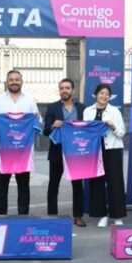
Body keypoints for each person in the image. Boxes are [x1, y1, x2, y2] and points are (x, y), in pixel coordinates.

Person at [0, 69, 40, 215]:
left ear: (21, 81)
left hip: (24, 150)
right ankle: (1, 216)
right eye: (11, 79)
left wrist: (37, 117)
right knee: (2, 185)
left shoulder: (30, 100)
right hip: (4, 150)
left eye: (17, 79)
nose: (14, 82)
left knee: (24, 185)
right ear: (7, 81)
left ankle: (23, 217)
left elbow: (38, 122)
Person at [44, 78, 87, 226]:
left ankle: (78, 215)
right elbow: (45, 131)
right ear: (59, 90)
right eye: (61, 88)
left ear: (72, 90)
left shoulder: (82, 108)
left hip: (76, 153)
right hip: (57, 151)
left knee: (77, 185)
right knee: (53, 185)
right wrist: (53, 125)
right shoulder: (52, 108)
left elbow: (87, 128)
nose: (64, 90)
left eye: (67, 88)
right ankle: (52, 215)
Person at [84, 83, 127, 227]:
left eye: (107, 94)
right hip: (94, 150)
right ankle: (101, 215)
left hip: (112, 149)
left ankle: (117, 216)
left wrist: (113, 125)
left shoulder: (115, 111)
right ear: (95, 95)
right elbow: (85, 132)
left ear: (110, 97)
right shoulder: (87, 111)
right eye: (101, 93)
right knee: (97, 183)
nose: (104, 96)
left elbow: (122, 133)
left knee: (115, 182)